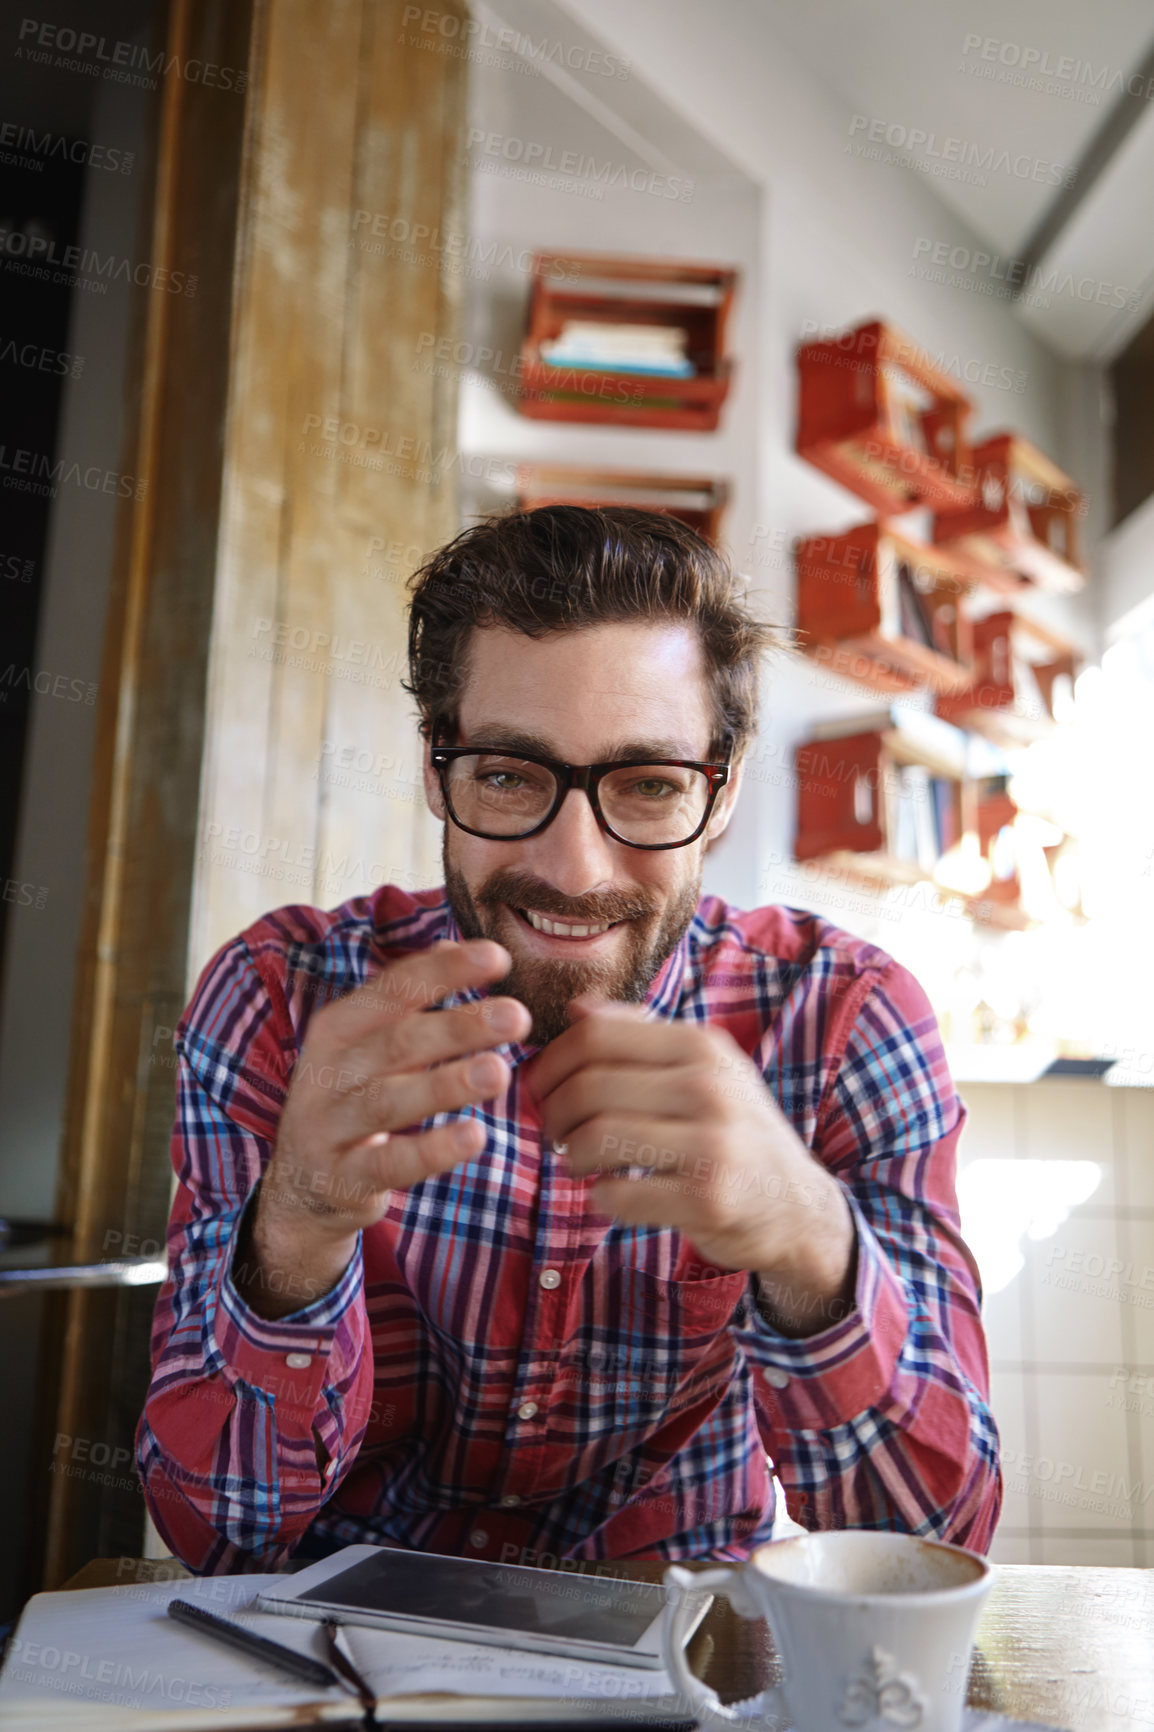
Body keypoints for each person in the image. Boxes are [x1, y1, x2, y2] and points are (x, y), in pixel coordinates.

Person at [137, 506, 1001, 1573]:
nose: (576, 868)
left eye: (645, 785)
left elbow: (935, 1544)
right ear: (435, 769)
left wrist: (804, 1239)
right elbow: (212, 1535)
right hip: (335, 1659)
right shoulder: (275, 999)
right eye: (507, 774)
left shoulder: (845, 1019)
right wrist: (293, 1236)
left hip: (683, 1652)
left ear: (718, 788)